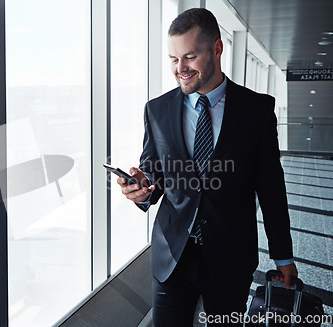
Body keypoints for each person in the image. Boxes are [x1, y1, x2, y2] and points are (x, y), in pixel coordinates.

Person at [117, 8, 298, 327]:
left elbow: (271, 190)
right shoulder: (157, 110)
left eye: (189, 57)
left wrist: (282, 256)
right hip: (172, 256)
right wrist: (140, 189)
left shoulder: (256, 111)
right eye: (173, 59)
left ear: (217, 48)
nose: (180, 68)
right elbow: (154, 173)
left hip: (230, 257)